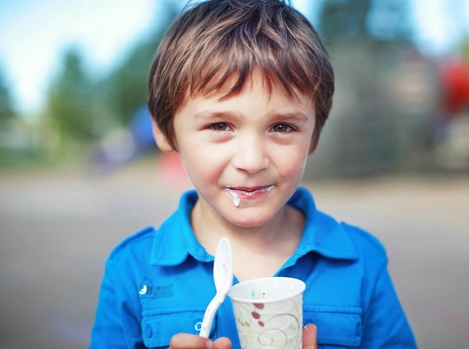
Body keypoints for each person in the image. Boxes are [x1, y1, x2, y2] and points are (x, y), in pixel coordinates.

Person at [90, 0, 417, 348]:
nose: (252, 160)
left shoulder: (360, 262)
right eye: (220, 125)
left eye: (282, 126)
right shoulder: (132, 271)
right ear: (165, 131)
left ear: (315, 134)